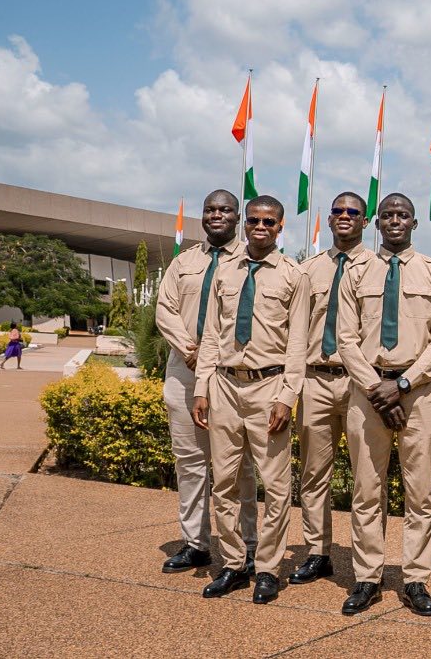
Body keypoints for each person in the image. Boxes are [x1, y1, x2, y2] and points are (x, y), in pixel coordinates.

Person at [336, 194, 431, 617]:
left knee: (419, 494)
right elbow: (345, 338)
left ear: (414, 221)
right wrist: (376, 388)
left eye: (401, 215)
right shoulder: (355, 272)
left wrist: (403, 384)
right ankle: (368, 577)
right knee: (366, 492)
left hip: (418, 394)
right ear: (377, 223)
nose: (394, 221)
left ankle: (416, 579)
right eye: (386, 215)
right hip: (368, 392)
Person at [191, 195, 309, 604]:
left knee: (275, 486)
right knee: (223, 482)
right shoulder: (225, 271)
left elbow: (298, 345)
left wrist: (287, 397)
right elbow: (210, 335)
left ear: (280, 228)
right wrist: (202, 387)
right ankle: (233, 565)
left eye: (269, 222)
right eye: (255, 220)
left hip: (268, 388)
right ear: (245, 223)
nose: (261, 227)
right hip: (224, 385)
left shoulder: (294, 276)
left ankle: (268, 569)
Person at [153, 189, 256, 574]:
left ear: (237, 216)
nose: (217, 215)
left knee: (240, 465)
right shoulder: (183, 263)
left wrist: (213, 358)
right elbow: (166, 309)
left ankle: (247, 544)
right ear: (203, 216)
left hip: (231, 376)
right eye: (210, 210)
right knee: (191, 463)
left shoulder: (250, 261)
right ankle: (196, 542)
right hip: (185, 371)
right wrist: (191, 350)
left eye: (225, 210)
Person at [289, 192, 372, 587]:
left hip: (360, 382)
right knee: (313, 473)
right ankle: (317, 551)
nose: (343, 217)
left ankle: (366, 561)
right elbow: (295, 329)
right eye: (337, 211)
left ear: (365, 220)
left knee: (365, 476)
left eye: (352, 212)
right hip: (316, 379)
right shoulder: (308, 270)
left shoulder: (377, 268)